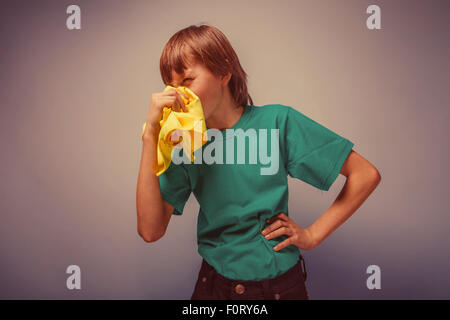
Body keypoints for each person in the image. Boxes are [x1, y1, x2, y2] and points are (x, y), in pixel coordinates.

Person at [136, 24, 382, 300]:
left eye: (187, 81)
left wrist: (313, 235)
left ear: (223, 72)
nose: (178, 95)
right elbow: (150, 230)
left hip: (279, 289)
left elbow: (364, 174)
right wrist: (151, 136)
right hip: (213, 288)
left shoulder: (277, 122)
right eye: (171, 86)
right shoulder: (180, 142)